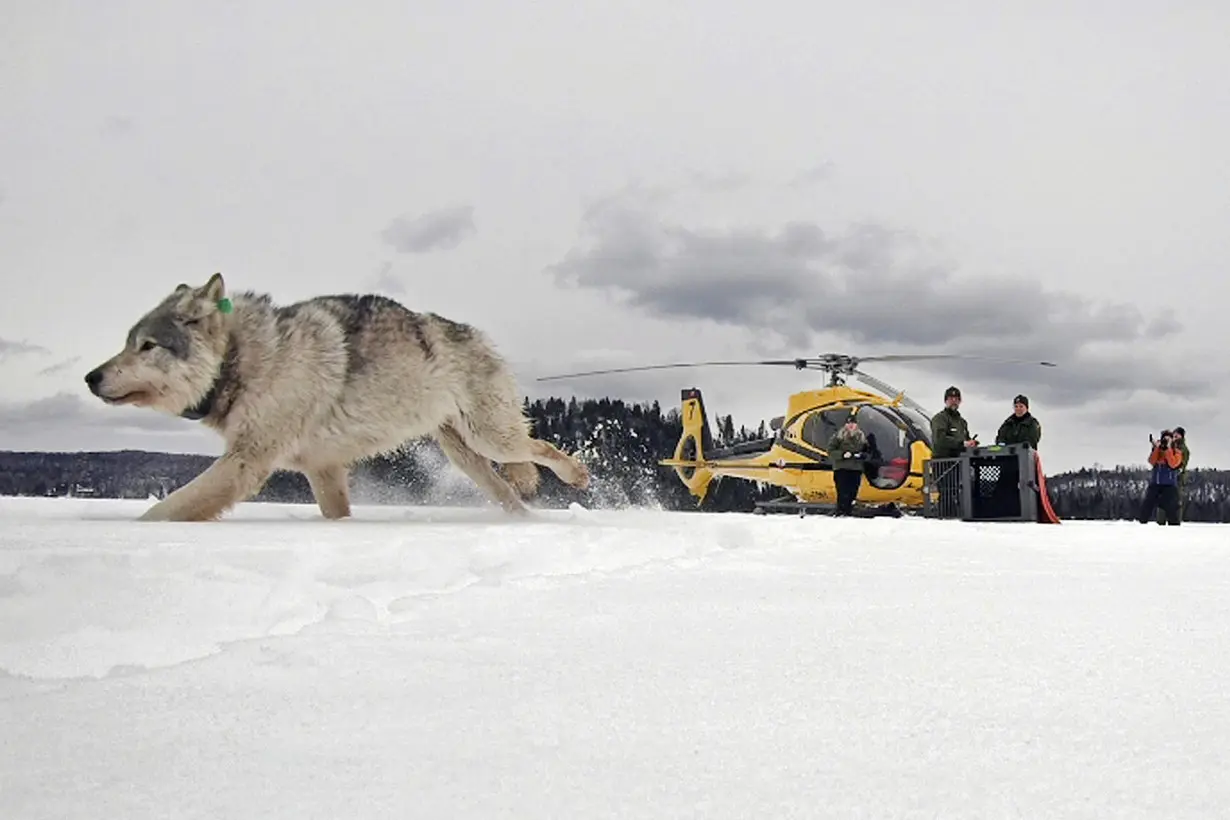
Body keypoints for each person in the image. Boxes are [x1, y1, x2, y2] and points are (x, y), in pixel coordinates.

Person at [1138, 429, 1184, 525]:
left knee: (1172, 509)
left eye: (1168, 439)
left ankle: (1174, 528)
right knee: (1147, 505)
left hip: (1169, 485)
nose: (1165, 441)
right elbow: (1151, 461)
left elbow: (1173, 464)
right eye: (1164, 439)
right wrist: (1157, 448)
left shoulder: (1176, 451)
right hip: (1156, 483)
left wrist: (1168, 450)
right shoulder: (1158, 450)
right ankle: (1142, 524)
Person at [827, 413, 869, 516]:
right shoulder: (838, 436)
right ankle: (841, 511)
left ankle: (849, 510)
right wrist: (842, 454)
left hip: (856, 469)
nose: (851, 425)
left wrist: (862, 455)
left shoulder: (862, 437)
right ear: (845, 424)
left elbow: (867, 451)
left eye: (853, 423)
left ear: (856, 425)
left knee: (853, 491)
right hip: (842, 468)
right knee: (842, 491)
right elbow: (830, 450)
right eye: (849, 423)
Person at [929, 386, 977, 458]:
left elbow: (966, 439)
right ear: (945, 401)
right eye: (951, 398)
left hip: (960, 462)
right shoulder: (939, 418)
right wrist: (962, 444)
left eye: (956, 399)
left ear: (960, 401)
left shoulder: (962, 422)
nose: (954, 401)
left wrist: (971, 443)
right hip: (943, 463)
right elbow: (940, 439)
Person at [1158, 426, 1191, 523]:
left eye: (1177, 435)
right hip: (1166, 477)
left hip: (1177, 478)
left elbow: (1181, 464)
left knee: (1176, 501)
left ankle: (1175, 522)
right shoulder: (1170, 446)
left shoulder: (1183, 449)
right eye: (1174, 435)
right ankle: (1161, 521)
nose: (1175, 437)